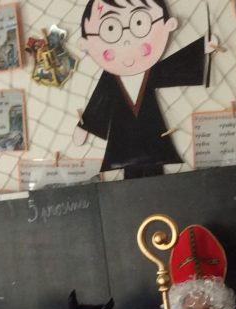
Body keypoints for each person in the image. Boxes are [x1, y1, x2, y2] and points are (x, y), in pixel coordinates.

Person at [75, 0, 216, 178]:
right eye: (110, 29)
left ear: (168, 25)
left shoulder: (152, 72)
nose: (126, 41)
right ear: (86, 43)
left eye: (139, 23)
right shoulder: (110, 79)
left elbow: (173, 67)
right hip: (123, 142)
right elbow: (99, 102)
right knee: (130, 181)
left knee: (156, 177)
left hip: (152, 138)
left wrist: (200, 49)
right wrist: (85, 126)